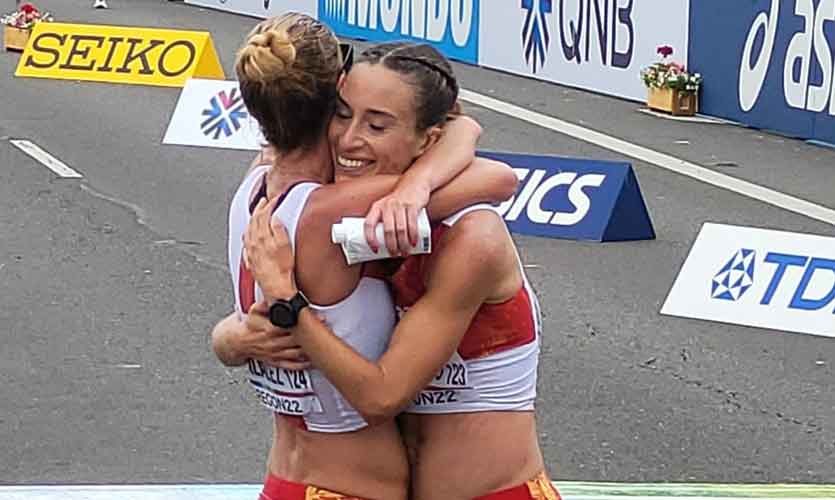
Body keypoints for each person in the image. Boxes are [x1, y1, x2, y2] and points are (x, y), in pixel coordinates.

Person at [211, 14, 518, 500]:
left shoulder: (253, 186)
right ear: (335, 91)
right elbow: (497, 177)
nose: (354, 137)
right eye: (346, 114)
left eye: (375, 123)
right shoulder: (336, 214)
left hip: (288, 478)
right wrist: (417, 185)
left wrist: (227, 338)